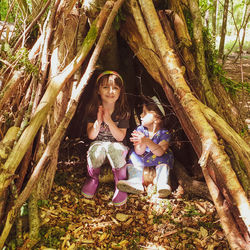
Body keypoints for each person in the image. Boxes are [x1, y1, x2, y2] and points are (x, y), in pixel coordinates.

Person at [81, 70, 130, 206]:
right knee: (96, 152)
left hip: (117, 145)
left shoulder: (123, 111)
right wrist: (98, 121)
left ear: (120, 92)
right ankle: (93, 179)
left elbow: (120, 137)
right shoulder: (92, 108)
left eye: (115, 88)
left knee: (114, 150)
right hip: (99, 143)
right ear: (98, 90)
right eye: (106, 87)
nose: (111, 91)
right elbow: (91, 136)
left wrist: (109, 121)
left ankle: (120, 184)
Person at [117, 96, 174, 198]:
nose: (141, 115)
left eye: (145, 112)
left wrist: (147, 141)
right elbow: (138, 151)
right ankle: (135, 181)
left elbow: (160, 152)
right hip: (143, 157)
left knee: (165, 156)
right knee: (133, 155)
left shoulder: (164, 133)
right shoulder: (140, 129)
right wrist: (142, 143)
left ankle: (162, 183)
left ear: (156, 118)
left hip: (158, 158)